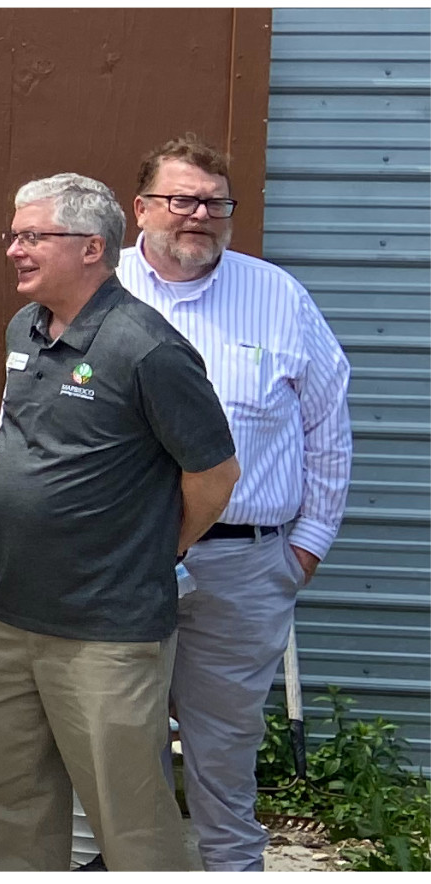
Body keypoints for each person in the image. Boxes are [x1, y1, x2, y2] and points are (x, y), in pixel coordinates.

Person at [0, 172, 234, 872]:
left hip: (105, 631)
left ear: (90, 248)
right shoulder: (22, 327)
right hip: (3, 613)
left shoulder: (145, 347)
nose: (13, 250)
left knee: (130, 818)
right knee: (3, 804)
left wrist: (151, 548)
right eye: (12, 236)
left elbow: (213, 476)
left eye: (31, 237)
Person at [114, 135, 353, 873]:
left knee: (224, 749)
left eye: (214, 203)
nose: (198, 215)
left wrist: (304, 547)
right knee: (117, 737)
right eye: (180, 199)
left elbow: (327, 422)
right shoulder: (99, 286)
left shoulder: (276, 295)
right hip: (118, 564)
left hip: (244, 565)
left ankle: (230, 868)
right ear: (140, 208)